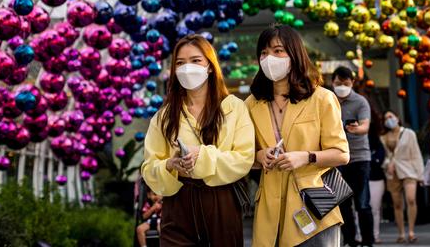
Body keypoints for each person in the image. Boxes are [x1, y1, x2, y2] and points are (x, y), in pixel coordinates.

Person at [141, 34, 255, 246]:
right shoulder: (164, 116)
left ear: (210, 66)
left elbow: (244, 158)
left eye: (196, 61)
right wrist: (170, 165)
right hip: (178, 202)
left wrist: (202, 156)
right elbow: (148, 167)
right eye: (180, 63)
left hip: (222, 200)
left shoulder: (233, 107)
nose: (187, 68)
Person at [246, 25, 350, 247]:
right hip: (268, 213)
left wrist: (306, 157)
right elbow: (241, 154)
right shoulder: (251, 104)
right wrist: (260, 155)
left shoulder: (322, 98)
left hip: (313, 208)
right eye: (263, 53)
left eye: (278, 51)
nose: (269, 58)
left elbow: (341, 154)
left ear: (295, 53)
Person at [332, 66, 374, 247]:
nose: (342, 86)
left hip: (359, 159)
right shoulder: (328, 100)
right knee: (342, 204)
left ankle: (368, 241)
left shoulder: (360, 102)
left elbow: (365, 126)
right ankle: (350, 241)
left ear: (352, 83)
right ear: (332, 83)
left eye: (345, 83)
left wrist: (357, 129)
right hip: (337, 158)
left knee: (362, 204)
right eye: (338, 83)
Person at [382, 110, 424, 244]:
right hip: (392, 172)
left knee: (411, 199)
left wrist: (420, 174)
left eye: (391, 116)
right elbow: (386, 155)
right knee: (397, 203)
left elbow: (416, 153)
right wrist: (388, 163)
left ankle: (411, 231)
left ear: (397, 117)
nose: (389, 119)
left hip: (409, 169)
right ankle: (401, 233)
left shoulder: (409, 133)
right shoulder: (384, 137)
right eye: (386, 118)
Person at [368, 106, 386, 244]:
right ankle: (358, 234)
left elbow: (381, 155)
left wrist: (373, 160)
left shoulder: (376, 139)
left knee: (374, 207)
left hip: (375, 177)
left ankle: (375, 234)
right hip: (357, 175)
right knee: (357, 208)